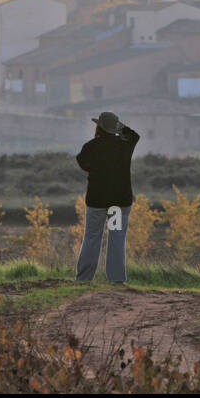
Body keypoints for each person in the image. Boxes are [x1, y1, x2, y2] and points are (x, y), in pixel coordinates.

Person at [74, 111, 139, 284]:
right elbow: (134, 135)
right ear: (115, 127)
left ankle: (83, 279)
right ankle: (117, 280)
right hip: (118, 203)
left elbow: (82, 162)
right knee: (116, 237)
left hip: (97, 201)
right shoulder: (125, 145)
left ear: (98, 127)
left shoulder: (91, 147)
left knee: (92, 237)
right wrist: (120, 127)